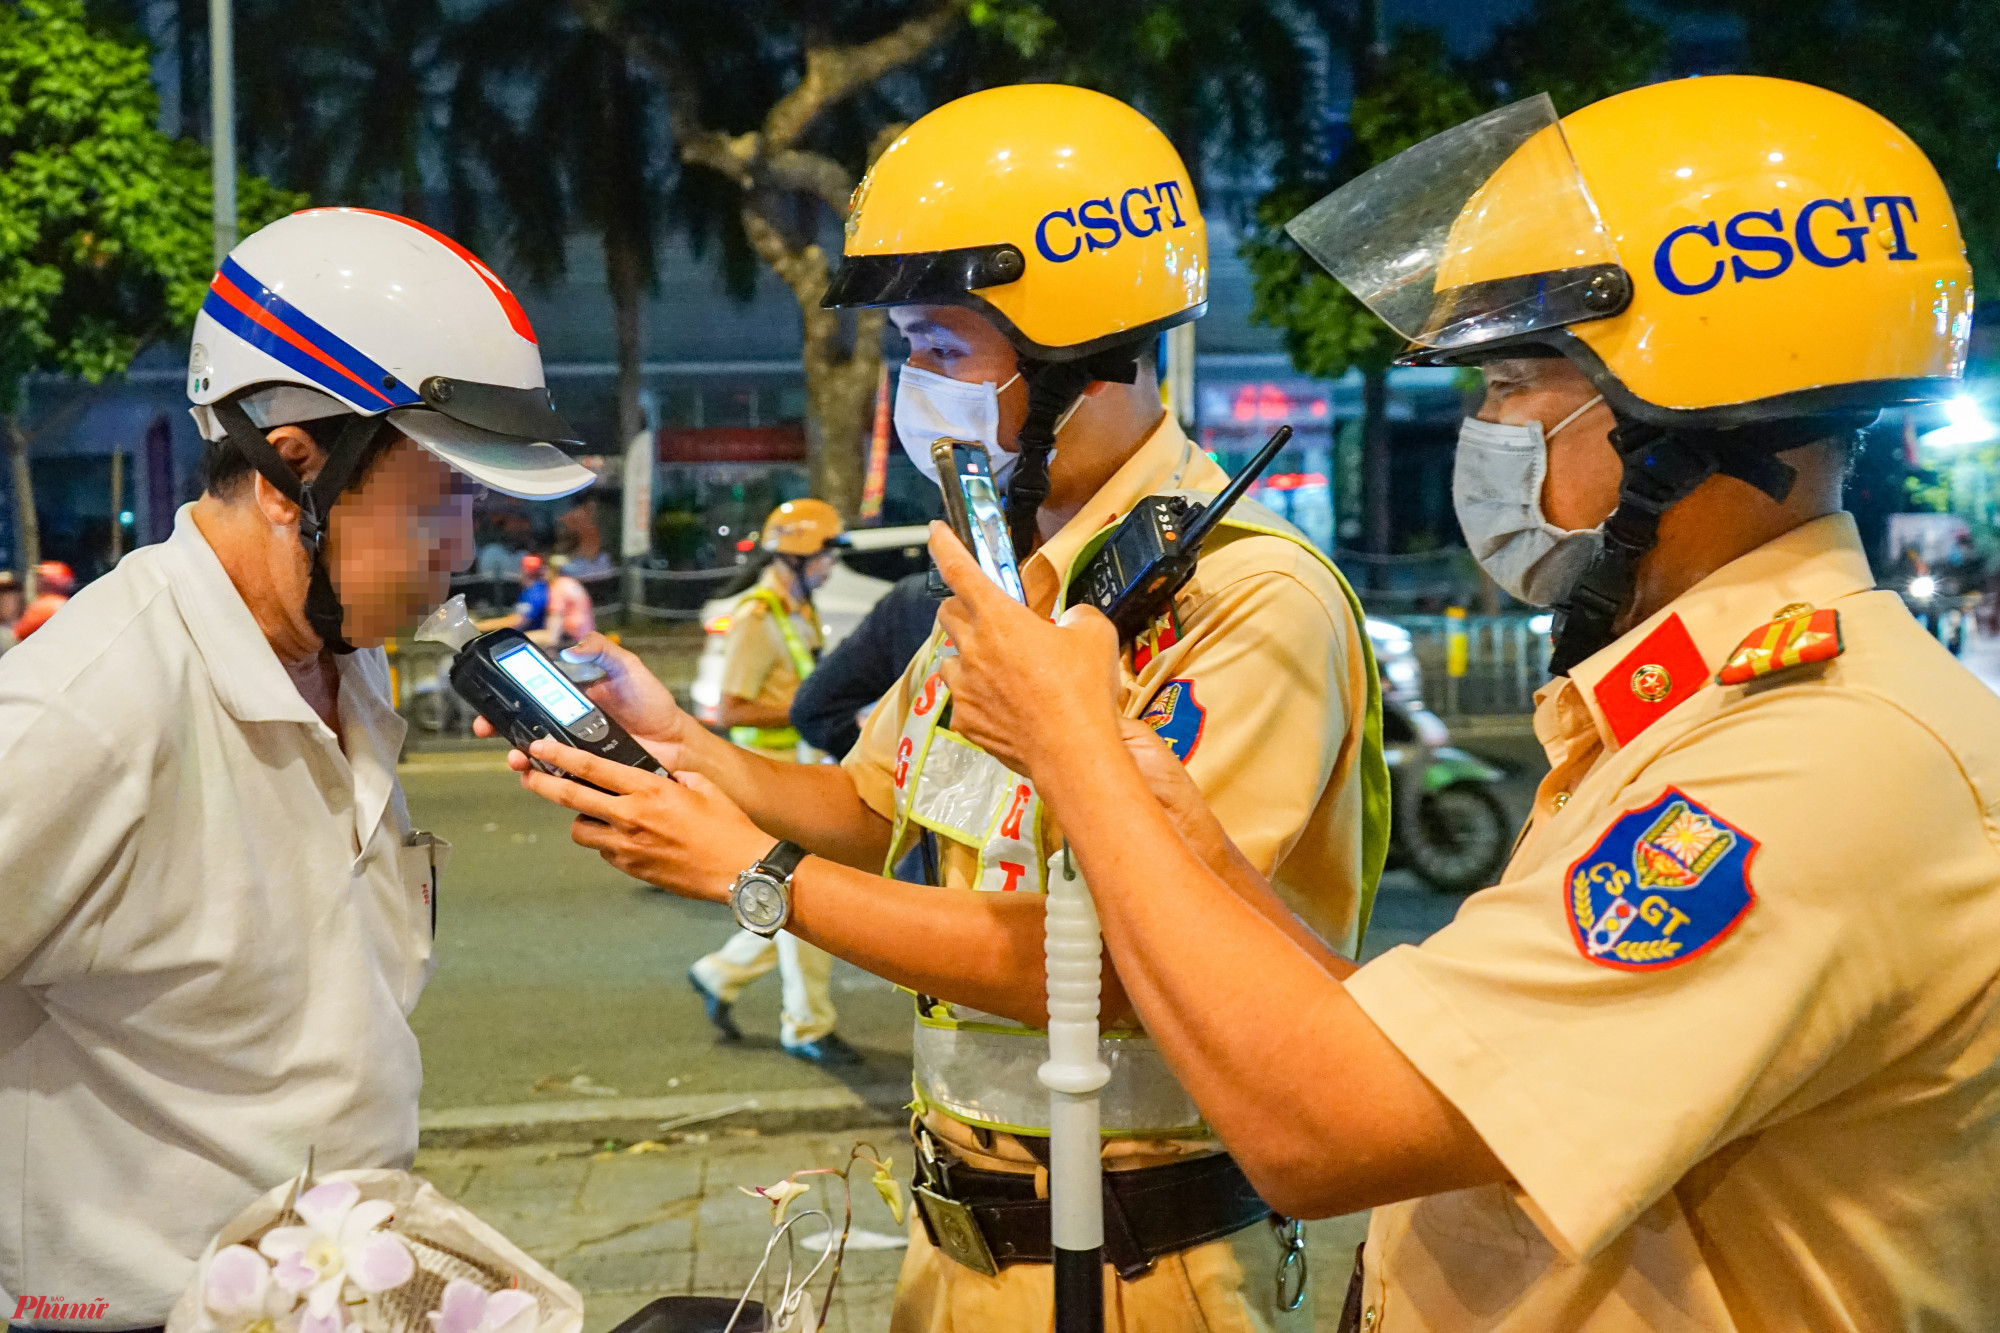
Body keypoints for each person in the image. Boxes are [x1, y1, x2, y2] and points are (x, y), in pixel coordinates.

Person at [923, 75, 2000, 1331]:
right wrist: (1175, 827)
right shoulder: (1693, 714)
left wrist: (1073, 754)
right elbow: (1422, 1063)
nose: (1482, 437)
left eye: (1509, 389)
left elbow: (1327, 1129)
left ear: (1682, 410)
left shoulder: (1822, 760)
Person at [476, 84, 1386, 1332]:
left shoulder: (1242, 600)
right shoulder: (1002, 575)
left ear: (1076, 355)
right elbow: (866, 808)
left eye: (941, 350)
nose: (914, 388)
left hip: (1139, 1266)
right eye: (905, 348)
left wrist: (755, 877)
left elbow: (1130, 963)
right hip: (953, 1240)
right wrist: (680, 743)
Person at [0, 206, 597, 1328]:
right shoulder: (92, 707)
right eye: (445, 495)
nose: (465, 543)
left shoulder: (340, 659)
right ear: (293, 466)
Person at [687, 499, 861, 1067]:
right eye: (826, 553)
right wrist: (810, 710)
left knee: (795, 897)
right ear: (796, 556)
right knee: (806, 899)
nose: (832, 565)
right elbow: (730, 708)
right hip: (768, 784)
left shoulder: (797, 610)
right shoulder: (757, 618)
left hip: (800, 778)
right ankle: (807, 1025)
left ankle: (721, 973)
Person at [789, 570, 939, 760]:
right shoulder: (913, 600)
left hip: (921, 781)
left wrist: (887, 766)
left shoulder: (912, 600)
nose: (831, 562)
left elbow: (812, 711)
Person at [544, 552, 597, 651]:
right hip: (587, 636)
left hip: (572, 639)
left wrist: (551, 645)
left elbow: (556, 616)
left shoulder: (559, 585)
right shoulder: (573, 583)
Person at [11, 560, 75, 641]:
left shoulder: (46, 605)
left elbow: (18, 634)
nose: (37, 581)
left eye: (40, 578)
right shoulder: (67, 603)